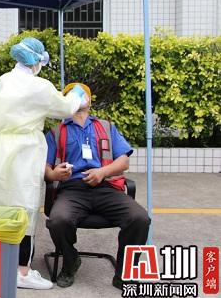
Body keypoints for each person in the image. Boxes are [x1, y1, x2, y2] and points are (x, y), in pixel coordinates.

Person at [0, 37, 87, 290]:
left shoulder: (3, 80)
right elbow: (65, 108)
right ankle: (21, 272)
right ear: (38, 60)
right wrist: (76, 95)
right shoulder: (40, 86)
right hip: (25, 150)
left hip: (0, 147)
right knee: (24, 209)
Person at [45, 82, 151, 290]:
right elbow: (46, 170)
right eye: (72, 94)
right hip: (72, 190)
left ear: (90, 101)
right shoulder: (56, 132)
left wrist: (102, 172)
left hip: (106, 187)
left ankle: (125, 273)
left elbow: (124, 161)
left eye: (82, 93)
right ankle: (70, 261)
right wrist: (55, 174)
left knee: (140, 218)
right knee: (58, 220)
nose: (78, 96)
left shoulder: (106, 127)